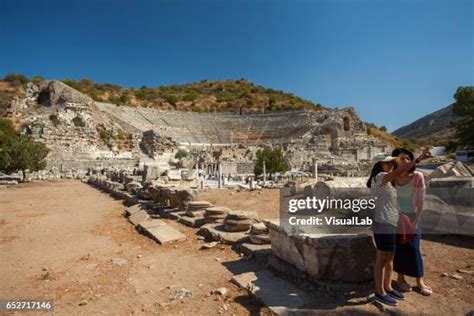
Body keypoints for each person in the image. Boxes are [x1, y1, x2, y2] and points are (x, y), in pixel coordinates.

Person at [367, 148, 432, 306]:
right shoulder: (381, 177)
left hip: (392, 222)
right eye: (386, 163)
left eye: (391, 163)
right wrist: (417, 159)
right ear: (378, 165)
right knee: (382, 258)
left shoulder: (388, 182)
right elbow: (397, 173)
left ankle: (388, 287)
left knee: (390, 257)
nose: (390, 165)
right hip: (383, 223)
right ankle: (380, 292)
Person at [392, 148, 433, 296]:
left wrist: (416, 220)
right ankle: (401, 278)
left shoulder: (418, 176)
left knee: (414, 248)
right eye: (400, 158)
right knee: (400, 248)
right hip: (397, 217)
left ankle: (419, 281)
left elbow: (421, 200)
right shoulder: (393, 178)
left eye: (407, 158)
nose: (404, 160)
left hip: (413, 216)